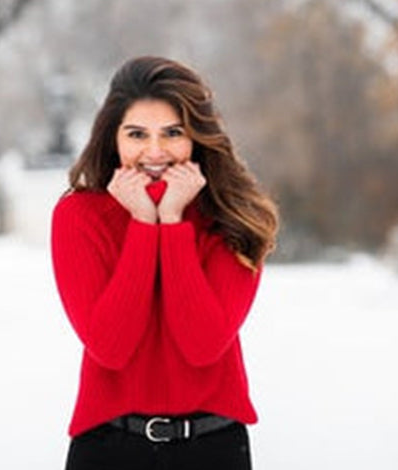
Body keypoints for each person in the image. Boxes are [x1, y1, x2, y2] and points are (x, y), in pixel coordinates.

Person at [51, 56, 279, 470]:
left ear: (196, 137)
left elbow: (203, 344)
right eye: (137, 134)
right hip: (109, 447)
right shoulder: (79, 216)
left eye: (172, 133)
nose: (154, 152)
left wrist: (171, 223)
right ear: (113, 139)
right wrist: (143, 223)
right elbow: (110, 347)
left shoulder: (234, 217)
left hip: (213, 448)